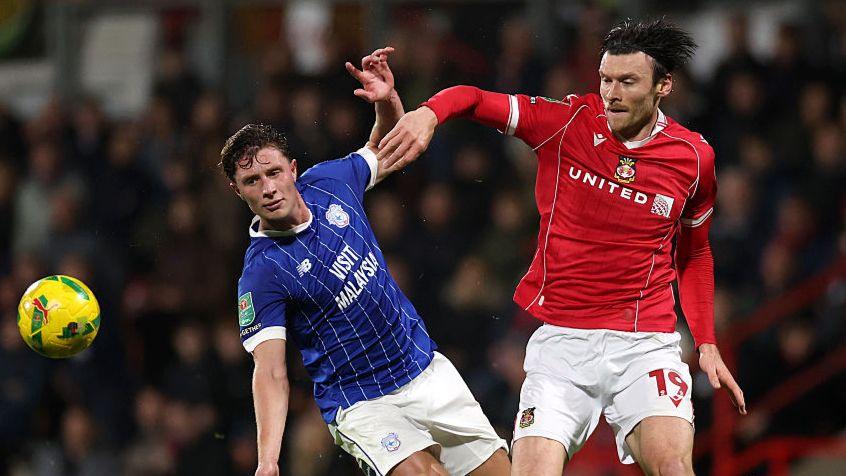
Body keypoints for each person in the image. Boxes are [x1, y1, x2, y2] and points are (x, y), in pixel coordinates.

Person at [376, 19, 747, 475]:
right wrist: (428, 113)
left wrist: (706, 341)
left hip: (644, 344)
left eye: (628, 82)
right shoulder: (566, 122)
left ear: (663, 86)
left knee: (673, 467)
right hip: (562, 345)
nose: (611, 93)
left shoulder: (693, 158)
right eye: (606, 79)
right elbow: (472, 98)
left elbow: (695, 253)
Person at [220, 47, 509, 476]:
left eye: (273, 172)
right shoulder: (261, 273)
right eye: (252, 181)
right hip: (363, 402)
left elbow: (387, 148)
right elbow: (271, 372)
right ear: (237, 191)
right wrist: (267, 459)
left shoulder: (332, 183)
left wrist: (387, 103)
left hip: (425, 369)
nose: (267, 188)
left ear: (293, 169)